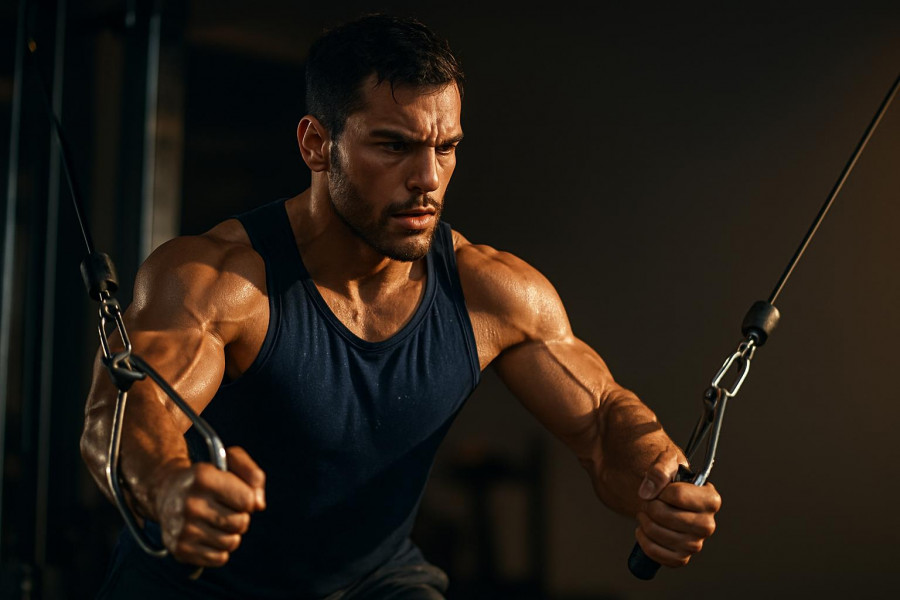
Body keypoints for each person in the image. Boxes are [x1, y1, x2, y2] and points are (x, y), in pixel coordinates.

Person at [81, 13, 721, 600]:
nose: (429, 179)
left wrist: (655, 484)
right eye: (394, 146)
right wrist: (168, 488)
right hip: (197, 586)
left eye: (446, 148)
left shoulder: (490, 292)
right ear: (315, 144)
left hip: (374, 584)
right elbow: (122, 414)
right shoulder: (219, 280)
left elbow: (604, 422)